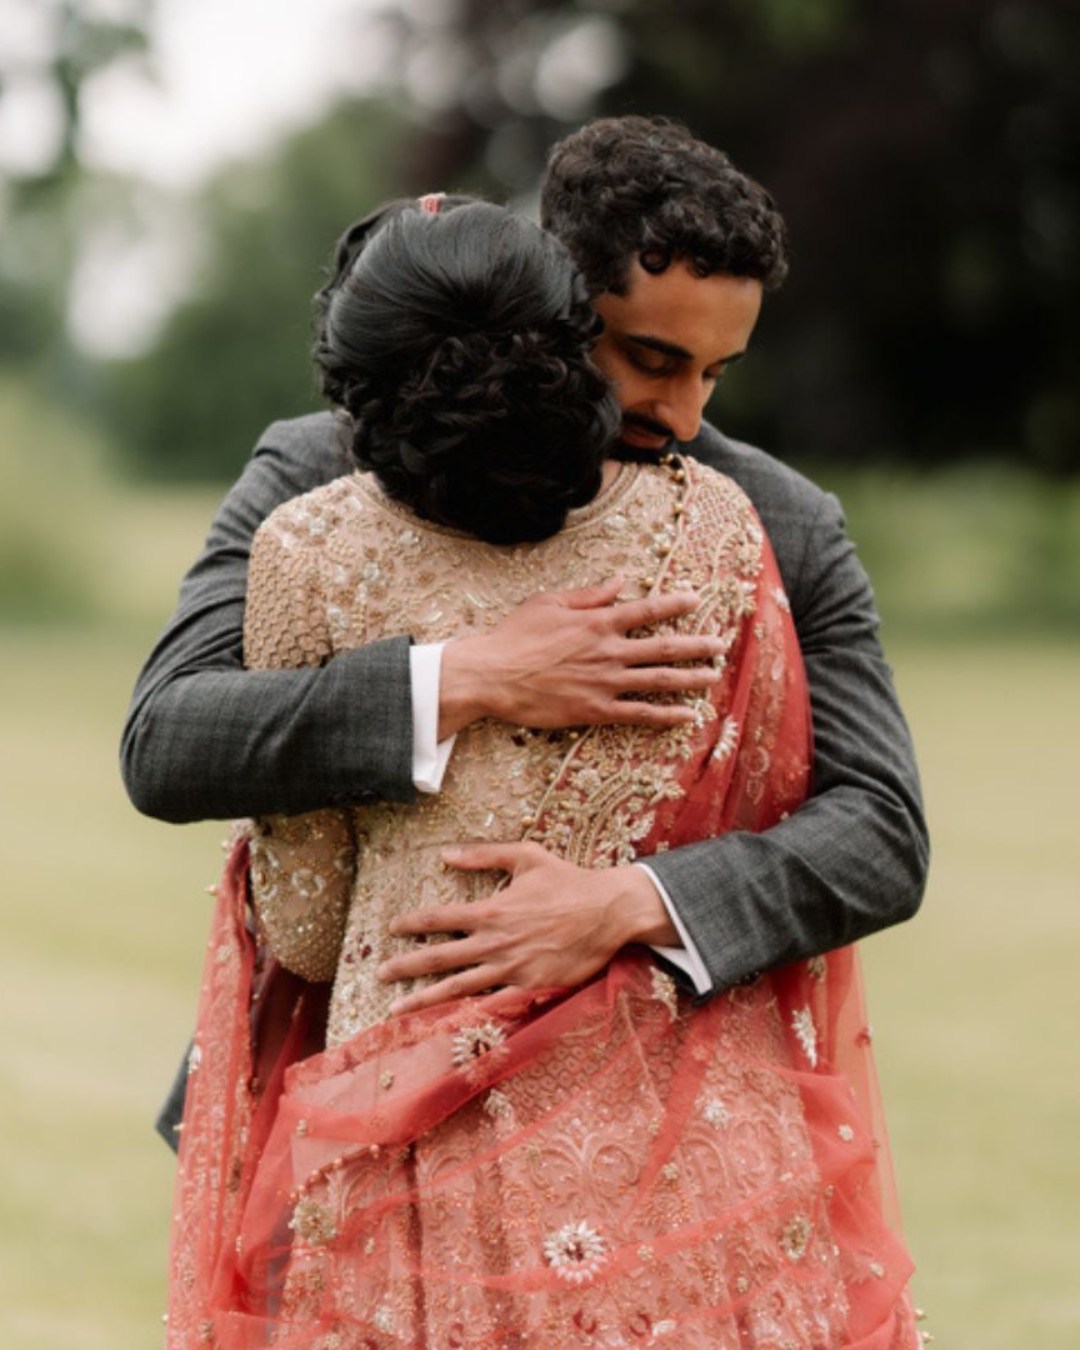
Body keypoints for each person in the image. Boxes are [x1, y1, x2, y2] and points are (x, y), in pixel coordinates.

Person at [168, 198, 919, 1347]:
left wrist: (627, 903)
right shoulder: (322, 470)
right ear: (561, 309)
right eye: (648, 361)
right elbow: (171, 736)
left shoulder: (771, 517)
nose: (680, 413)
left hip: (659, 1100)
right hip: (358, 1100)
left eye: (717, 372)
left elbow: (880, 835)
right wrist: (464, 677)